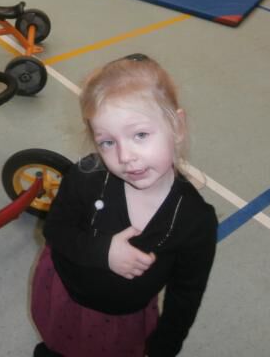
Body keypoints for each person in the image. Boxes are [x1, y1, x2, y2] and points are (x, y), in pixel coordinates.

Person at [31, 54, 218, 357]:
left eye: (140, 135)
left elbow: (186, 293)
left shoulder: (196, 221)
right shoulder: (86, 177)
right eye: (107, 142)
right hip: (66, 293)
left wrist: (164, 348)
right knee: (58, 345)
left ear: (177, 126)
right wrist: (102, 251)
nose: (125, 156)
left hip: (121, 320)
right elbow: (55, 230)